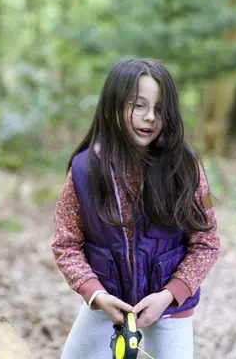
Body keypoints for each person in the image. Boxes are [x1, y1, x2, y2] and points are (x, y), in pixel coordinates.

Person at [51, 58, 221, 359]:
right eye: (138, 105)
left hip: (170, 308)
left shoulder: (186, 168)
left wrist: (170, 295)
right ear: (112, 105)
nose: (150, 118)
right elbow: (66, 244)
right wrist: (96, 294)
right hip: (107, 304)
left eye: (160, 109)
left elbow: (206, 242)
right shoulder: (84, 170)